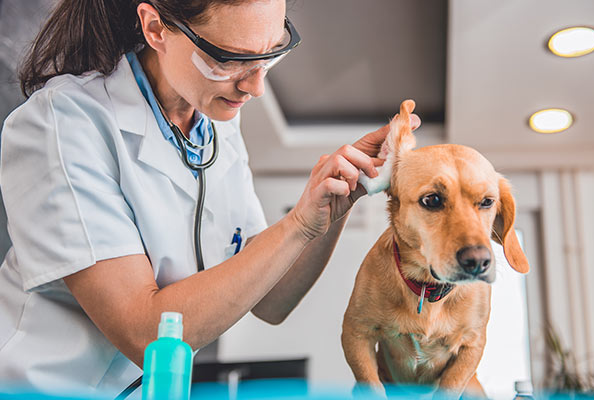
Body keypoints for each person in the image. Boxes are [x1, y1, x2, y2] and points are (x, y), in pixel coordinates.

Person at [0, 0, 420, 397]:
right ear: (155, 28)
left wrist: (330, 206)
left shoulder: (215, 124)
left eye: (270, 53)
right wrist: (296, 225)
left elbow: (271, 301)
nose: (255, 85)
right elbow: (146, 334)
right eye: (229, 58)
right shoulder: (63, 124)